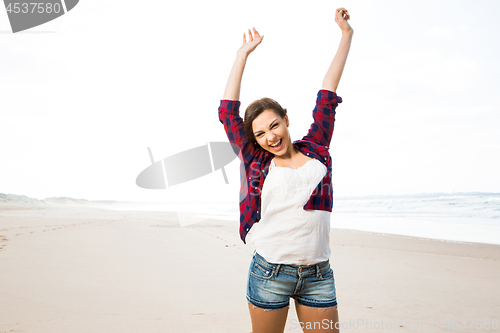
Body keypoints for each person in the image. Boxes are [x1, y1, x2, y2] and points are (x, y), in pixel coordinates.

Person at [218, 8, 353, 333]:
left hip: (318, 273)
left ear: (286, 120)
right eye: (261, 133)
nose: (270, 136)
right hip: (270, 272)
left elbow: (327, 93)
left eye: (274, 126)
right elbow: (227, 112)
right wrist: (242, 55)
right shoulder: (256, 159)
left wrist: (346, 35)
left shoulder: (317, 146)